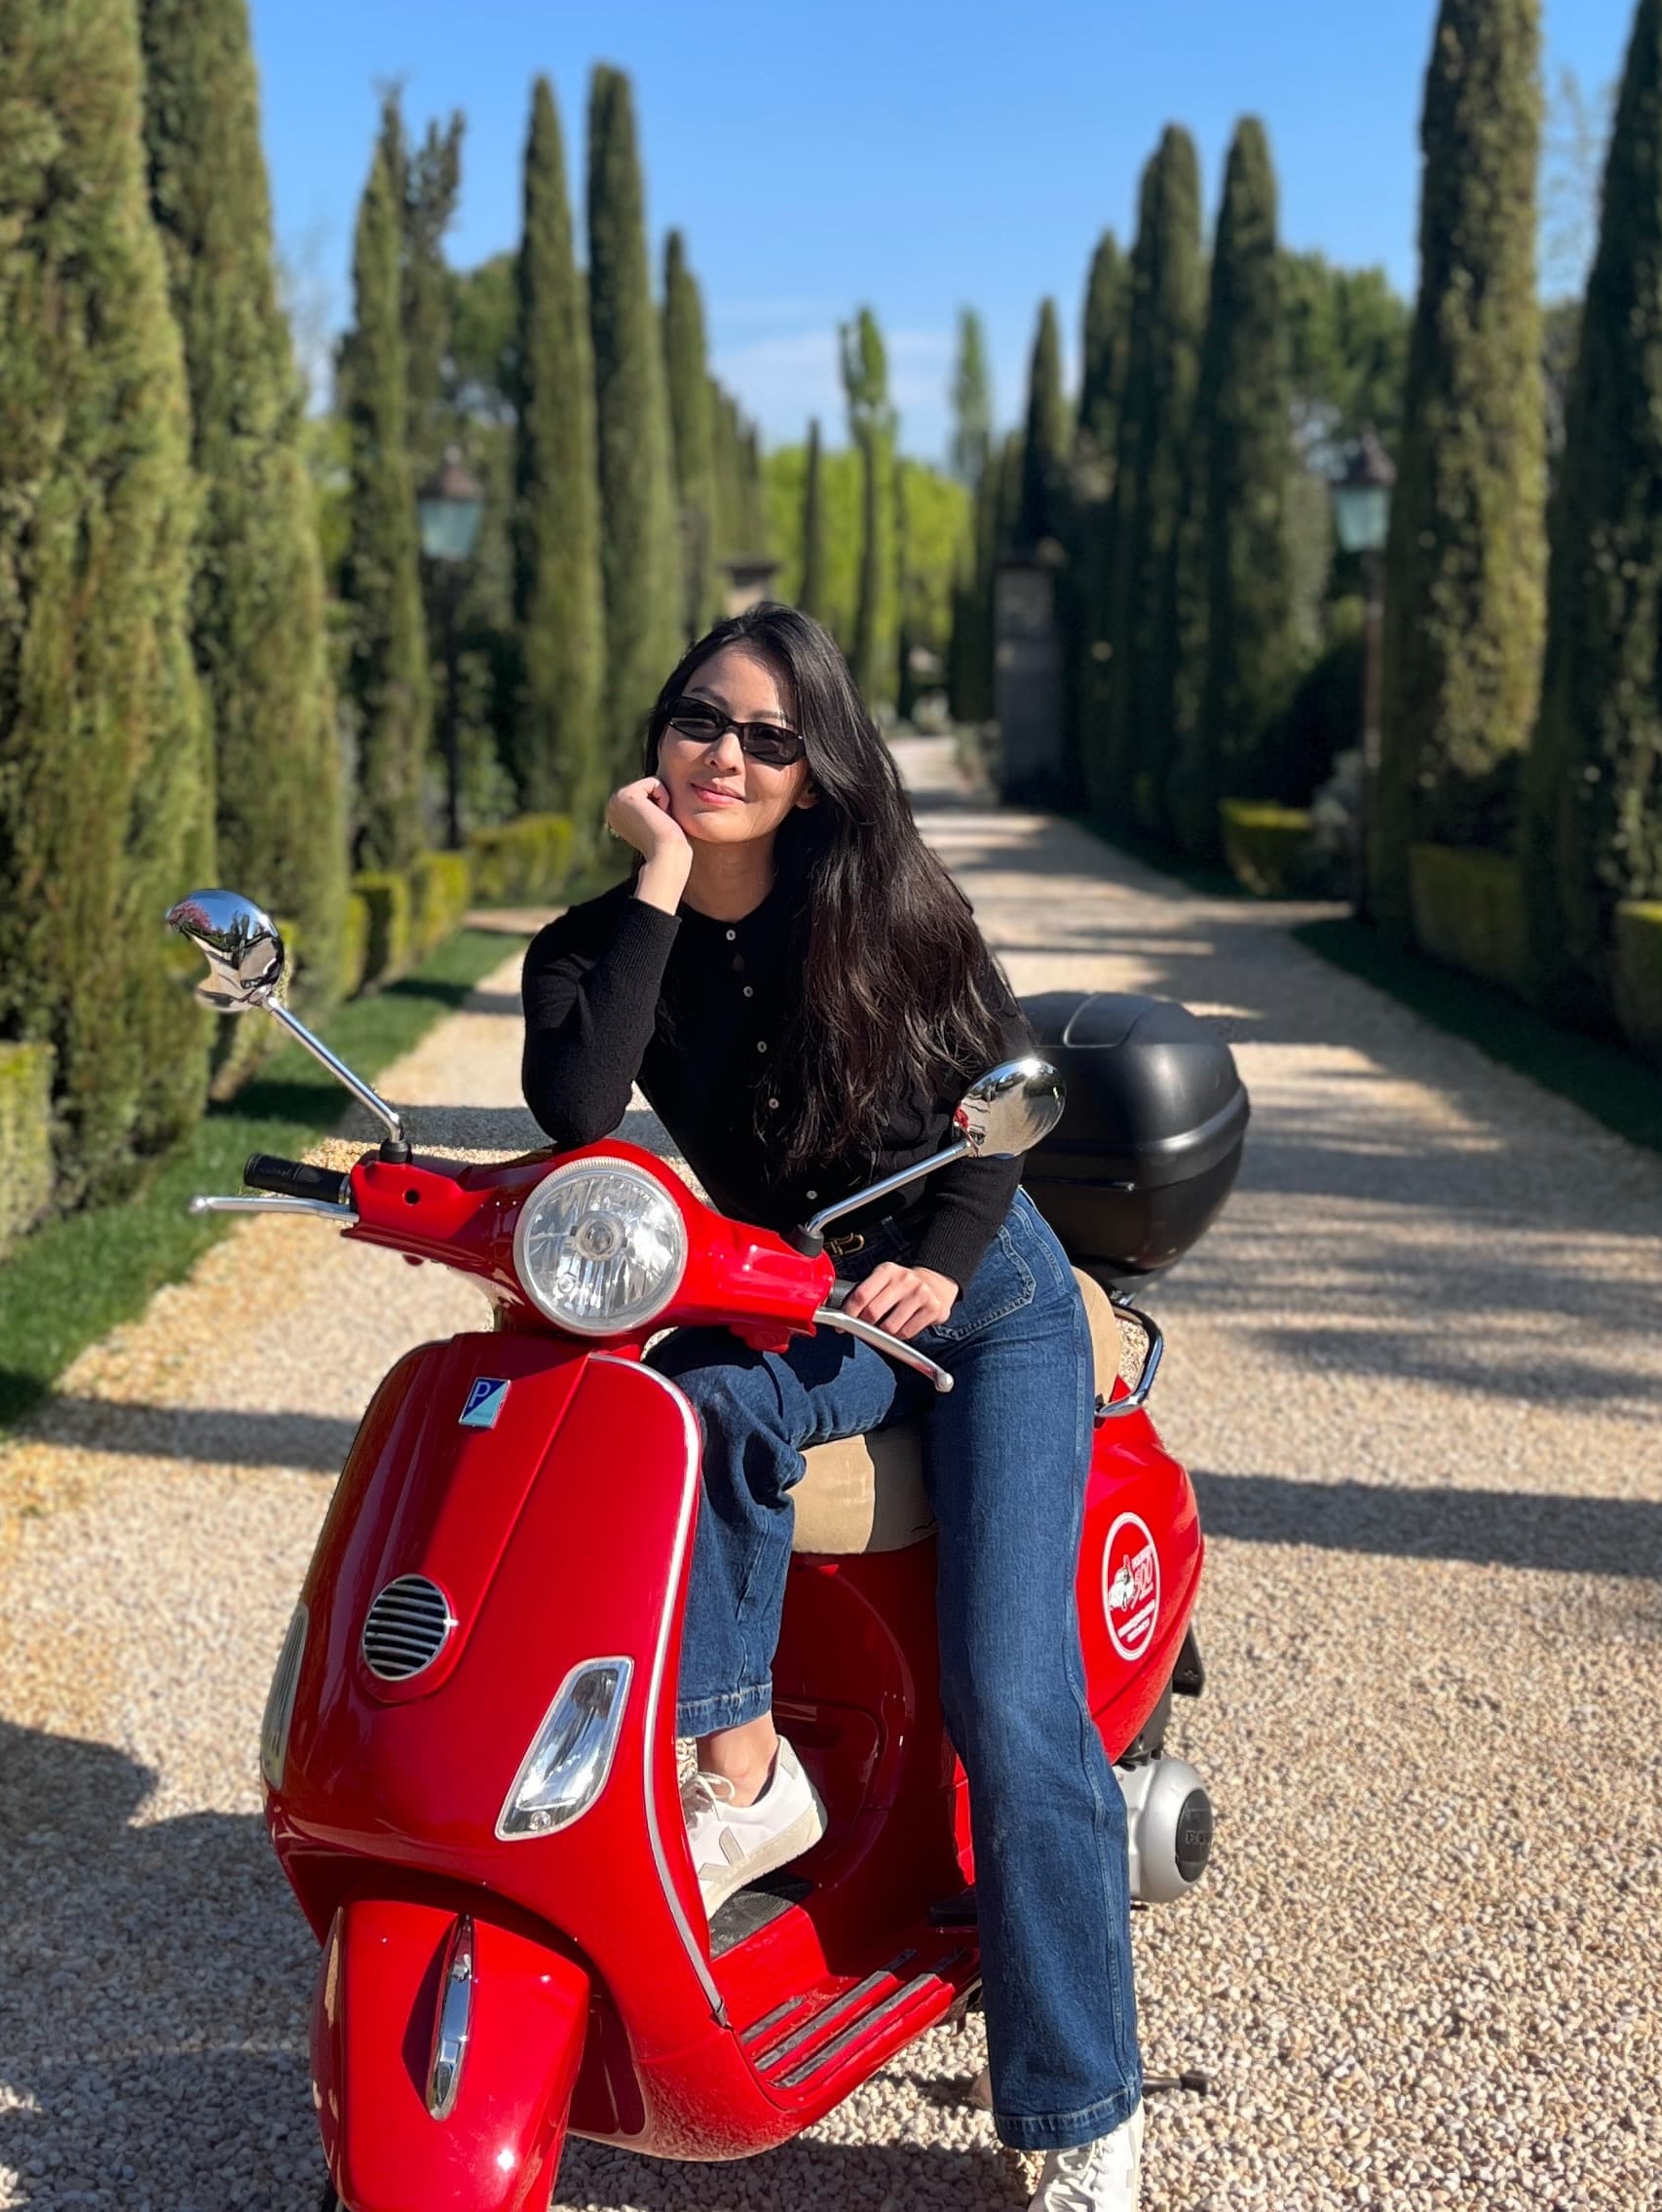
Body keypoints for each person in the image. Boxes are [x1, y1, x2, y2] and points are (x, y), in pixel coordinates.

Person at [519, 604, 1147, 2210]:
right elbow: (582, 1112)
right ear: (659, 733)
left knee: (1010, 1705)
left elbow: (1007, 1098)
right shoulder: (595, 946)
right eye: (700, 721)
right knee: (699, 1400)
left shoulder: (880, 904)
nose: (726, 756)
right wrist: (658, 879)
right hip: (811, 1294)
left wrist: (939, 1264)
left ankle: (1081, 2121)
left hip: (982, 1292)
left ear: (818, 771)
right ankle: (747, 1775)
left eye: (770, 740)